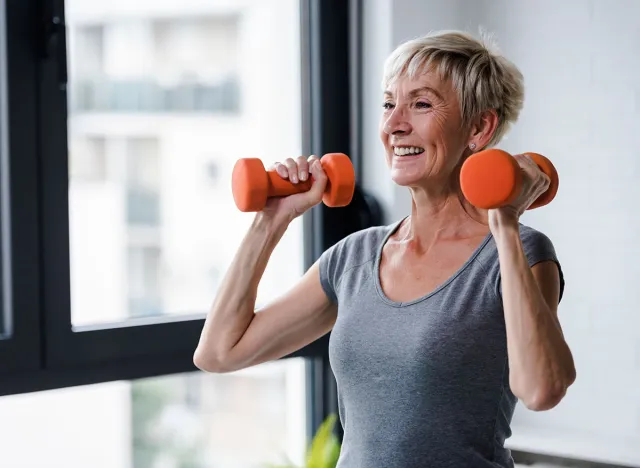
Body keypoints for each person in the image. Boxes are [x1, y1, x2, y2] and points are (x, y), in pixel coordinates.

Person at [193, 29, 576, 467]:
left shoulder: (520, 253)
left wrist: (504, 221)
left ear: (479, 127)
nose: (395, 124)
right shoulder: (353, 257)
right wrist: (270, 221)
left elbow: (542, 389)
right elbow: (219, 352)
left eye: (422, 103)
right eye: (389, 103)